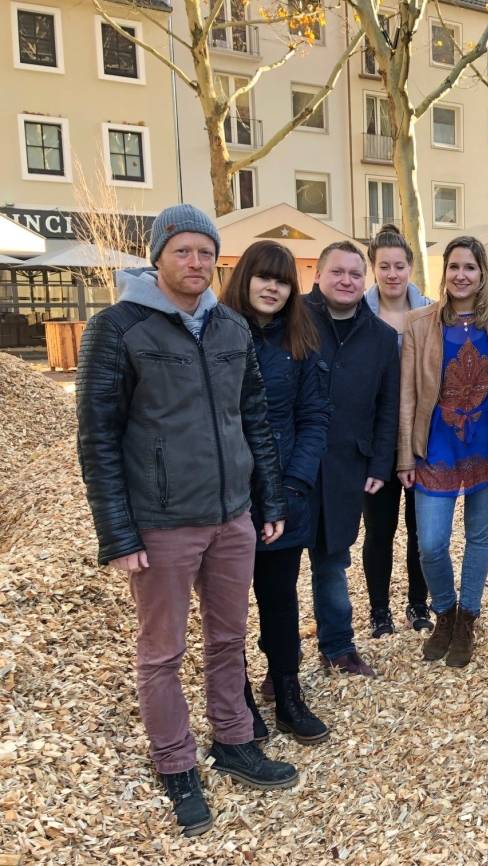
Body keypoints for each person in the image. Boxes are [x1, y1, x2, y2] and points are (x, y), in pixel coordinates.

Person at [75, 204, 297, 837]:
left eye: (206, 252)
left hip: (231, 516)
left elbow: (253, 418)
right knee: (162, 652)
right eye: (183, 251)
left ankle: (233, 739)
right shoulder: (118, 328)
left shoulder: (231, 326)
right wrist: (117, 532)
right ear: (158, 257)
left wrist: (269, 500)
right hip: (162, 520)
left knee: (228, 638)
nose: (196, 263)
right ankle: (175, 763)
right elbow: (98, 437)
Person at [218, 240, 332, 745]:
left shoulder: (299, 341)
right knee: (228, 605)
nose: (272, 288)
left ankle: (287, 690)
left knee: (280, 598)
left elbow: (314, 417)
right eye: (264, 277)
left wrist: (292, 486)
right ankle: (237, 695)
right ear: (244, 279)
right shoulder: (218, 334)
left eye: (283, 281)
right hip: (226, 494)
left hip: (283, 496)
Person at [397, 236, 488, 668]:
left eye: (470, 267)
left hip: (485, 445)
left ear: (482, 274)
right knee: (430, 543)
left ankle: (467, 618)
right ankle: (444, 611)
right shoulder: (419, 322)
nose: (461, 275)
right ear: (444, 272)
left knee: (479, 537)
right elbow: (408, 393)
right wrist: (405, 455)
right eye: (454, 267)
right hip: (436, 446)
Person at [304, 241, 400, 678]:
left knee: (333, 558)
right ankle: (280, 660)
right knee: (276, 569)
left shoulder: (380, 336)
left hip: (346, 463)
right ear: (318, 275)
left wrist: (380, 464)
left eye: (355, 274)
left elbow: (387, 406)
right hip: (289, 464)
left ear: (366, 280)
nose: (346, 281)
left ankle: (338, 646)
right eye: (337, 272)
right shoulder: (292, 319)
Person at [361, 226, 433, 636]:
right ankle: (379, 610)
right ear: (373, 267)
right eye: (384, 266)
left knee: (421, 528)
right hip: (376, 439)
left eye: (399, 265)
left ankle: (419, 604)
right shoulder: (359, 313)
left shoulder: (429, 312)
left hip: (421, 435)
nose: (392, 273)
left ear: (410, 267)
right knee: (379, 528)